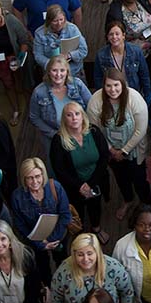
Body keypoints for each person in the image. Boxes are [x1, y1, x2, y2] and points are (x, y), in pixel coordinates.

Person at [87, 68, 149, 220]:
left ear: (123, 84)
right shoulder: (96, 101)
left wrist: (124, 151)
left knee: (140, 178)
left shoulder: (134, 99)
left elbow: (141, 130)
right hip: (111, 150)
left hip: (134, 150)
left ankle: (146, 205)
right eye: (108, 86)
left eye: (116, 85)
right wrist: (111, 150)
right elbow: (95, 129)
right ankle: (128, 200)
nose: (112, 89)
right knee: (121, 178)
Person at [50, 104, 110, 242]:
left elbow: (104, 157)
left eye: (77, 114)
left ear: (82, 115)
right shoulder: (58, 140)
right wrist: (80, 186)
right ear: (64, 119)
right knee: (78, 211)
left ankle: (96, 228)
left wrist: (90, 183)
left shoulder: (94, 131)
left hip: (95, 180)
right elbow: (60, 169)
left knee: (95, 205)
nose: (74, 118)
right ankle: (80, 233)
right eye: (69, 115)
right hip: (73, 186)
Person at [51, 233, 134, 303]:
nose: (86, 259)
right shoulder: (63, 272)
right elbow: (56, 301)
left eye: (89, 253)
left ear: (97, 252)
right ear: (74, 255)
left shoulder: (113, 267)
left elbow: (127, 292)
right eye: (80, 254)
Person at [10, 156, 71, 283]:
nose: (35, 181)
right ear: (24, 179)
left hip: (58, 236)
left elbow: (65, 216)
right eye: (30, 178)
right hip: (36, 242)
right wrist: (40, 244)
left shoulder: (56, 188)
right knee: (42, 266)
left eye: (38, 176)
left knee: (63, 261)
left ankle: (64, 282)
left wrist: (51, 240)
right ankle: (48, 287)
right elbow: (20, 224)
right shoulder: (17, 197)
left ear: (43, 175)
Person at [93, 19, 151, 94]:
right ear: (107, 37)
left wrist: (147, 98)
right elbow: (98, 80)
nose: (114, 37)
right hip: (112, 94)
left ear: (123, 35)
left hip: (133, 93)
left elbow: (144, 77)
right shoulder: (101, 55)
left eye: (117, 34)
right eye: (111, 34)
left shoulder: (136, 51)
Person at [33, 5, 88, 79]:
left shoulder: (73, 29)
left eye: (61, 20)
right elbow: (38, 55)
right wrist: (53, 65)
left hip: (74, 72)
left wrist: (69, 55)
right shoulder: (39, 33)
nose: (59, 23)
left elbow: (83, 50)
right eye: (55, 21)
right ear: (49, 21)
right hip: (53, 75)